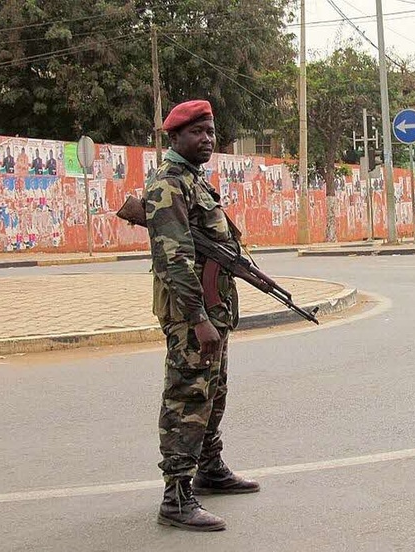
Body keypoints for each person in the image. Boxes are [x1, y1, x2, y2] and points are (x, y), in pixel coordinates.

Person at [146, 99, 259, 532]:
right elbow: (174, 260)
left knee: (214, 392)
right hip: (190, 315)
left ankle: (209, 468)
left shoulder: (194, 181)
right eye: (197, 132)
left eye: (210, 131)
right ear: (174, 137)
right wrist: (197, 317)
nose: (207, 139)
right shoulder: (168, 184)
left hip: (213, 309)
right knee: (188, 397)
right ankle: (176, 495)